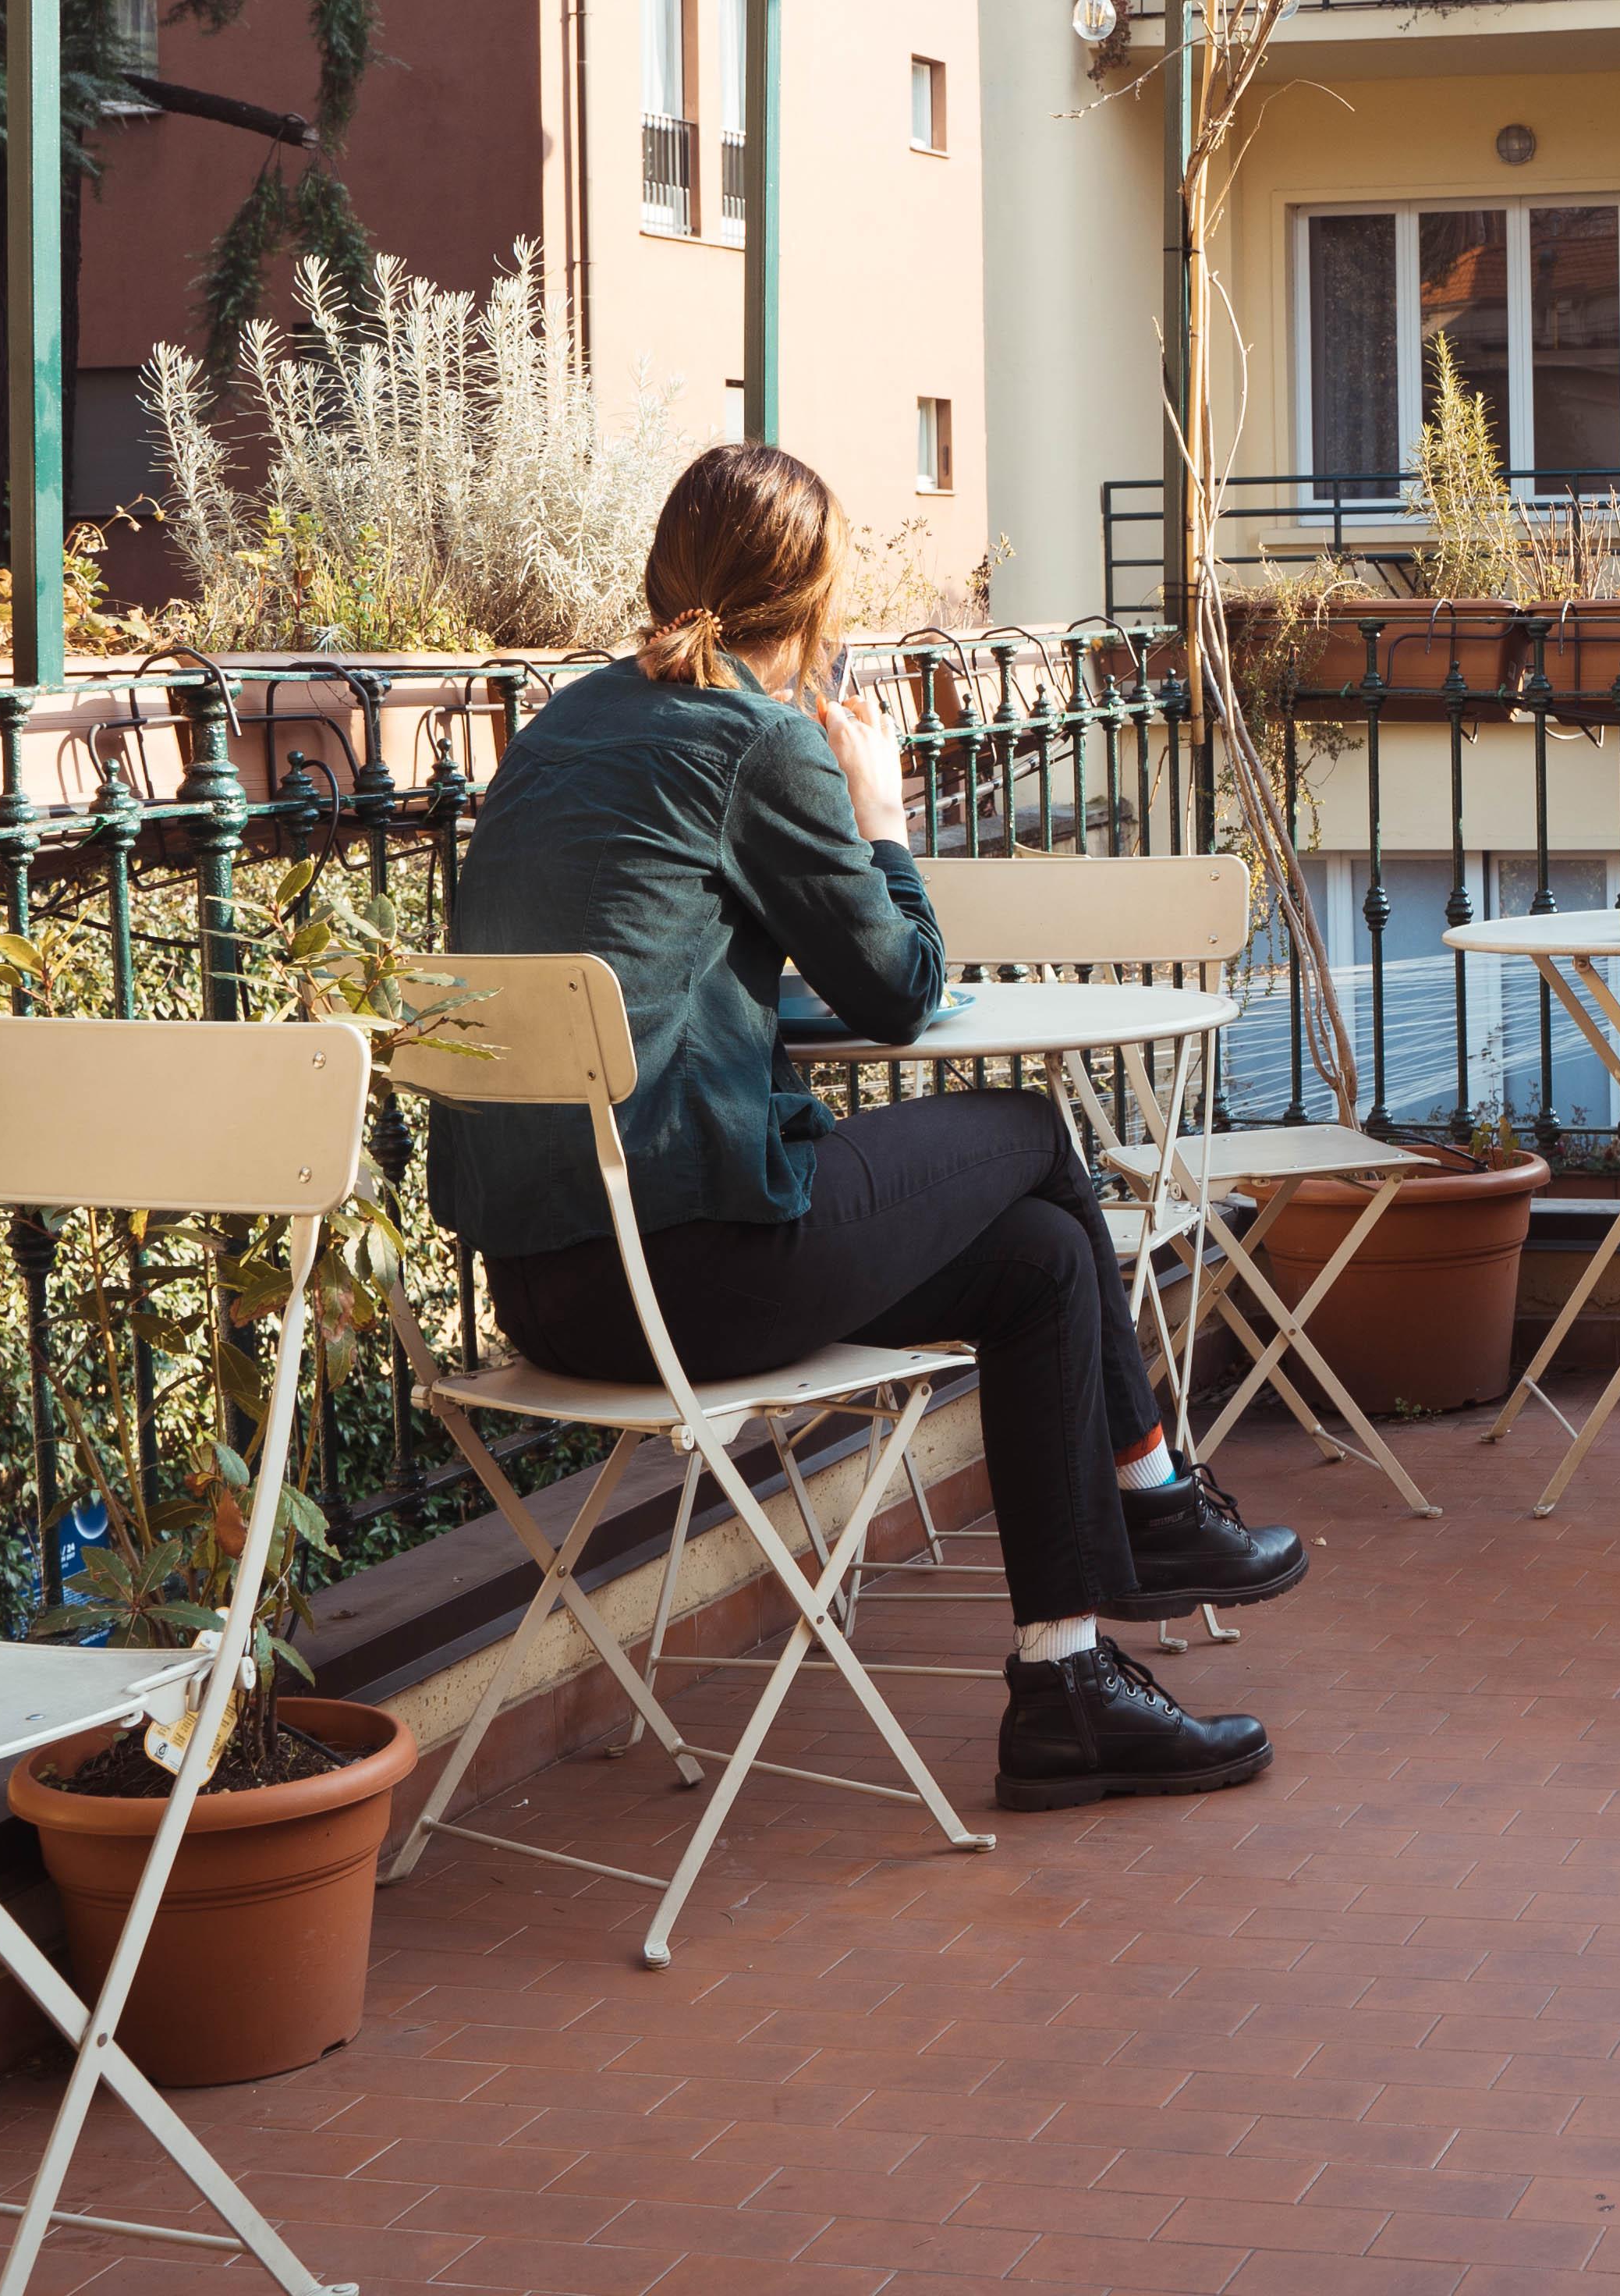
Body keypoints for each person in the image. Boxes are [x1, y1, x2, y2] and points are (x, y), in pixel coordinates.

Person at [426, 442, 1296, 1810]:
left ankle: (1065, 1682)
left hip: (545, 1295)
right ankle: (1154, 1493)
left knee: (1040, 1262)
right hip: (687, 1281)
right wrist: (880, 817)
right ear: (818, 601)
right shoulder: (753, 737)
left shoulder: (560, 731)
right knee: (1023, 1127)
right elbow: (897, 991)